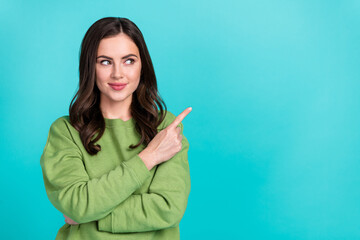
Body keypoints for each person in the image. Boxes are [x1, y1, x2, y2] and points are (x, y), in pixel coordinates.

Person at [40, 17, 192, 240]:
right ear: (89, 66)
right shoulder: (66, 131)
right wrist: (148, 157)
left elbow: (168, 207)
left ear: (143, 65)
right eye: (105, 61)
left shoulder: (166, 127)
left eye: (129, 61)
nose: (117, 74)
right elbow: (76, 204)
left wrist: (92, 216)